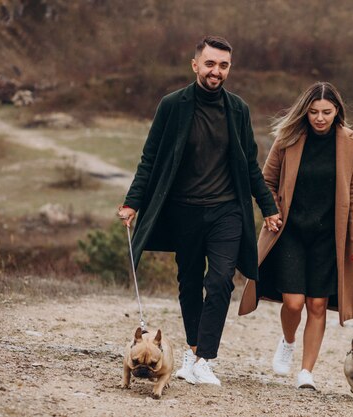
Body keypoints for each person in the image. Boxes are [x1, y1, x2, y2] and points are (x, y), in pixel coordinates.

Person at [117, 35, 281, 387]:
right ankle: (192, 350)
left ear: (229, 68)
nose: (216, 71)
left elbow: (250, 165)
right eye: (210, 64)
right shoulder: (172, 105)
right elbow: (150, 158)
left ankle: (205, 358)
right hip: (184, 212)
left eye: (223, 65)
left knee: (220, 280)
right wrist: (133, 202)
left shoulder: (237, 109)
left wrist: (269, 207)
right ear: (195, 65)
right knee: (189, 282)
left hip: (226, 211)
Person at [238, 81, 353, 390]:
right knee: (295, 303)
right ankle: (287, 341)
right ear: (305, 111)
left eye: (326, 112)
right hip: (291, 233)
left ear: (337, 111)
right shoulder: (289, 138)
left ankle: (306, 372)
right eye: (313, 112)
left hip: (329, 239)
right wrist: (271, 212)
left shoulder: (351, 143)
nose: (320, 118)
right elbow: (267, 180)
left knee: (317, 305)